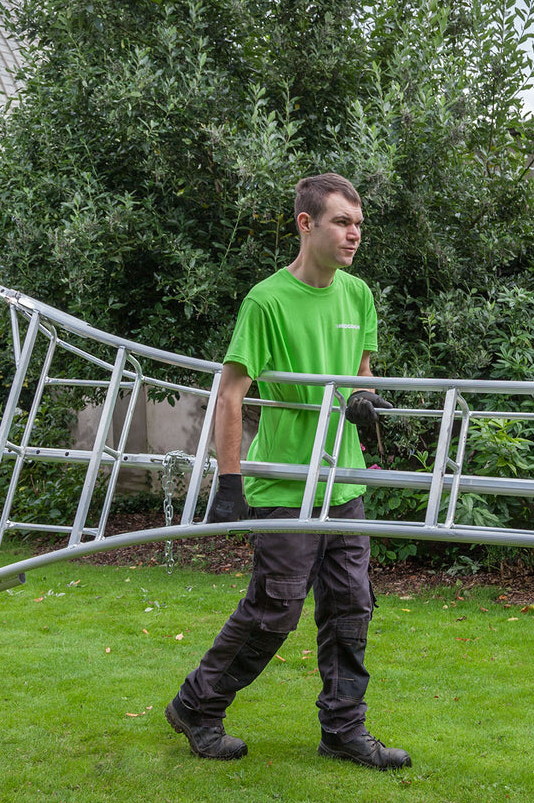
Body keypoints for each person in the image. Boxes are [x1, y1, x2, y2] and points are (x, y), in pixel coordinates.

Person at [164, 172, 409, 770]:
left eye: (358, 225)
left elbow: (362, 374)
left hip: (343, 481)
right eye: (341, 223)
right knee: (276, 608)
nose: (353, 235)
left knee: (351, 606)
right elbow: (231, 394)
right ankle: (198, 704)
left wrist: (366, 403)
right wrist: (229, 481)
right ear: (306, 224)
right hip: (285, 483)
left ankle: (344, 730)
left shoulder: (358, 295)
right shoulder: (266, 301)